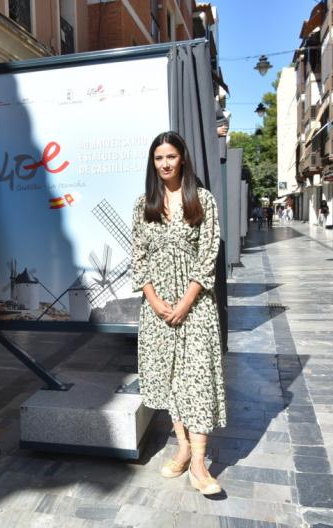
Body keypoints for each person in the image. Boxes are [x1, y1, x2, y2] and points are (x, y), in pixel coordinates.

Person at [131, 131, 226, 496]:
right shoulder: (144, 204)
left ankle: (199, 464)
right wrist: (154, 301)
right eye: (159, 158)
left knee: (197, 378)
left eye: (170, 156)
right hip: (158, 308)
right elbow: (138, 257)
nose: (165, 163)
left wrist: (186, 301)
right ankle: (183, 448)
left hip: (195, 305)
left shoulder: (202, 199)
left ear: (182, 158)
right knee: (172, 379)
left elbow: (208, 254)